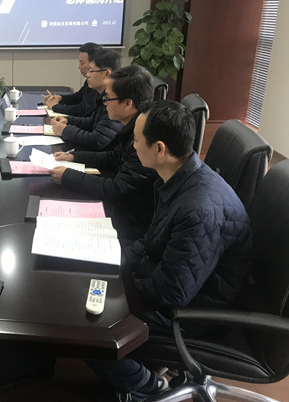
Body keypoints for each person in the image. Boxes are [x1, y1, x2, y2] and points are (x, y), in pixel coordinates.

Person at [87, 100, 252, 401]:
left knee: (86, 328)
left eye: (137, 139)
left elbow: (170, 294)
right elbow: (152, 240)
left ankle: (147, 385)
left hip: (196, 316)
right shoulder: (180, 179)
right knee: (91, 295)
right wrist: (114, 263)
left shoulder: (198, 209)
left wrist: (119, 287)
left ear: (160, 148)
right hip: (185, 289)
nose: (133, 146)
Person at [49, 65, 157, 240]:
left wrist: (68, 176)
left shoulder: (145, 138)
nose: (104, 102)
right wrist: (73, 156)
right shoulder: (133, 125)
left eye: (108, 98)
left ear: (127, 104)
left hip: (132, 222)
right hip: (125, 208)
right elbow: (114, 157)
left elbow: (116, 189)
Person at [50, 48, 122, 151]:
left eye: (91, 70)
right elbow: (91, 122)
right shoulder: (102, 95)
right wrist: (68, 120)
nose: (87, 75)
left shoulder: (114, 101)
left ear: (106, 74)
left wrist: (65, 130)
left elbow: (96, 141)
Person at [42, 42, 102, 117]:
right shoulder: (91, 79)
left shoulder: (99, 83)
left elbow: (83, 110)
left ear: (93, 64)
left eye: (82, 63)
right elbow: (78, 97)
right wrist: (59, 98)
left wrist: (55, 107)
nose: (79, 67)